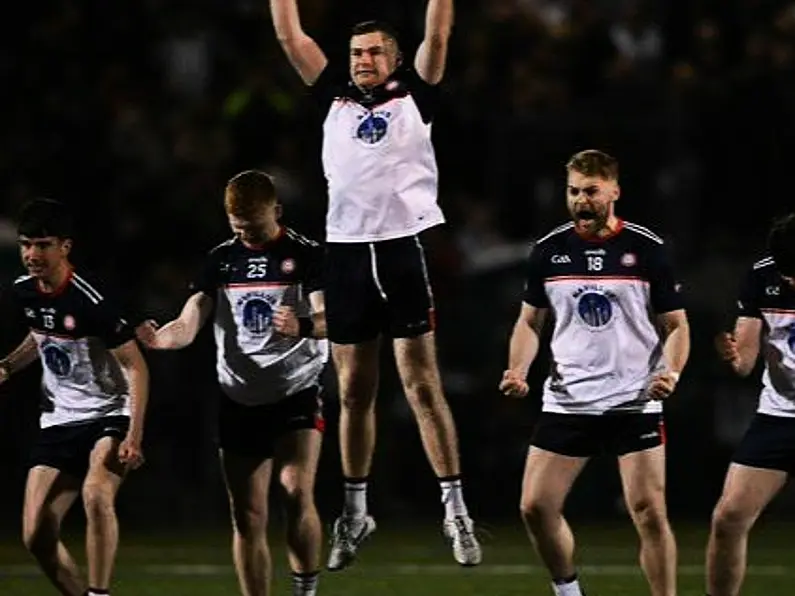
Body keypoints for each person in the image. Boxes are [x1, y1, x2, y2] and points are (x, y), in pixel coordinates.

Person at [267, 0, 482, 570]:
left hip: (402, 247)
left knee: (420, 384)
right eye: (356, 53)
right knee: (354, 389)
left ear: (395, 58)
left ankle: (454, 508)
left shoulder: (417, 94)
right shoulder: (332, 96)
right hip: (345, 252)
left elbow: (438, 31)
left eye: (374, 52)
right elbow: (290, 35)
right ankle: (356, 512)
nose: (363, 61)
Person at [499, 149, 690, 596]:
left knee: (648, 510)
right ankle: (568, 592)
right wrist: (518, 368)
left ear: (614, 192)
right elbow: (530, 321)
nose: (580, 200)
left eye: (590, 191)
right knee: (535, 507)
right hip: (568, 399)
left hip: (634, 399)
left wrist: (671, 372)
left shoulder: (646, 249)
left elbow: (677, 326)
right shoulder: (549, 250)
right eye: (573, 191)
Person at [136, 170, 327, 596]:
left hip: (296, 386)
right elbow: (189, 321)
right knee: (248, 514)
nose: (248, 235)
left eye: (255, 226)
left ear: (276, 211)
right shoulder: (220, 260)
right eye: (239, 227)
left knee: (295, 490)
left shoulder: (307, 255)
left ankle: (305, 590)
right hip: (238, 394)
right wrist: (161, 339)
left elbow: (330, 318)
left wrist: (302, 325)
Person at [0, 198, 148, 596]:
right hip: (60, 418)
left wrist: (134, 435)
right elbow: (39, 334)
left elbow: (136, 366)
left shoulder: (91, 299)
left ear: (65, 247)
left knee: (96, 495)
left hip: (108, 413)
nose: (32, 255)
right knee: (35, 535)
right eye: (26, 244)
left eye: (43, 244)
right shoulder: (25, 292)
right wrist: (8, 366)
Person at [706, 213, 795, 596]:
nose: (790, 281)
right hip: (778, 417)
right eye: (786, 273)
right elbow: (744, 362)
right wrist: (730, 353)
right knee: (728, 518)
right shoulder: (762, 275)